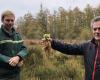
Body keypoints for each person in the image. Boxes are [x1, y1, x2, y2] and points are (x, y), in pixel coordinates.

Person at [0, 10, 28, 80]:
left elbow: (24, 48)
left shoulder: (17, 35)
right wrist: (10, 60)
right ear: (2, 20)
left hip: (16, 74)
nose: (10, 22)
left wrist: (18, 57)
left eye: (12, 20)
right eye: (7, 20)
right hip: (2, 75)